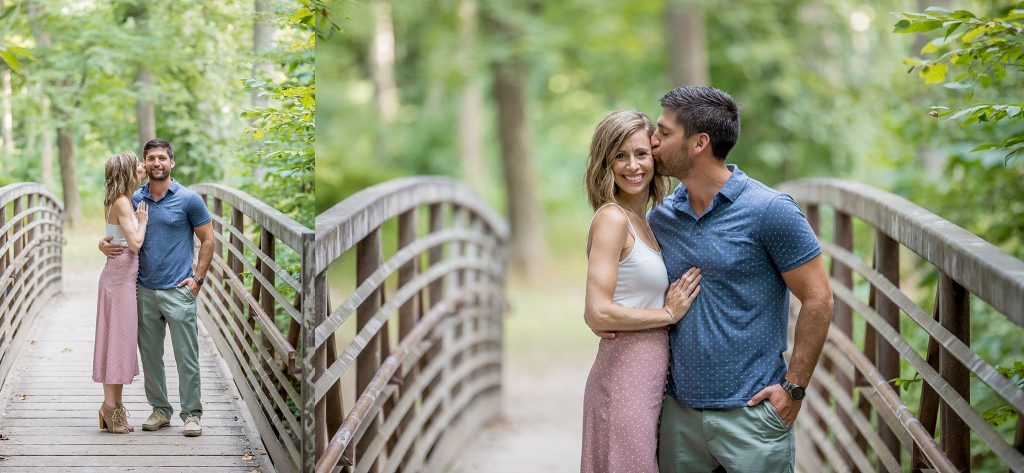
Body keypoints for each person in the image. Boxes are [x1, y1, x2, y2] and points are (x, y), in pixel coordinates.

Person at [648, 86, 834, 472]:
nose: (652, 141)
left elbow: (819, 299)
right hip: (678, 416)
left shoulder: (770, 211)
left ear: (699, 143)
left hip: (752, 416)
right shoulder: (660, 219)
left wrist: (794, 389)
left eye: (664, 133)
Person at [580, 109, 702, 473]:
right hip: (623, 379)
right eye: (620, 155)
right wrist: (666, 314)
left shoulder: (645, 221)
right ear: (606, 163)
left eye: (640, 154)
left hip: (648, 379)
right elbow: (596, 312)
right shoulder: (612, 218)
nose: (632, 166)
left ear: (654, 156)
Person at [99, 138, 215, 437]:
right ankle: (160, 410)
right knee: (151, 358)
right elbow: (118, 231)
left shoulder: (190, 199)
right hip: (142, 289)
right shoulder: (135, 198)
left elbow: (209, 239)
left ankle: (191, 414)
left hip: (178, 289)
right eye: (151, 158)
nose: (156, 163)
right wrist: (103, 244)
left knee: (185, 356)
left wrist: (197, 279)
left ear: (171, 162)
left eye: (162, 158)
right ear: (144, 163)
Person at [94, 152, 148, 434]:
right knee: (116, 343)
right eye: (138, 164)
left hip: (119, 279)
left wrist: (101, 245)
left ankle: (112, 408)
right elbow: (135, 243)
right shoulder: (124, 203)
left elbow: (112, 238)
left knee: (118, 343)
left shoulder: (120, 199)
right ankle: (109, 407)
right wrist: (143, 221)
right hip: (118, 283)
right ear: (128, 172)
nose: (143, 167)